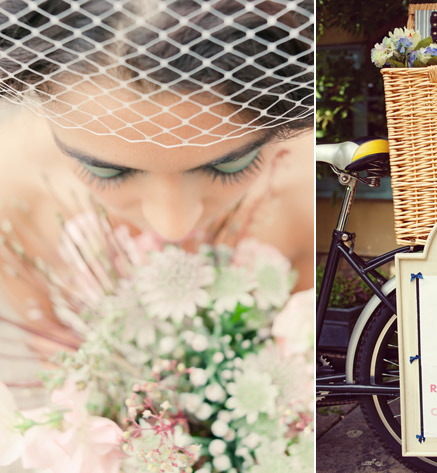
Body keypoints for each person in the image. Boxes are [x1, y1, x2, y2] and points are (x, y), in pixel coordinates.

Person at [0, 0, 314, 336]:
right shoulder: (14, 197)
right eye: (106, 170)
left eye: (232, 163)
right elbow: (52, 354)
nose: (174, 227)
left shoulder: (306, 193)